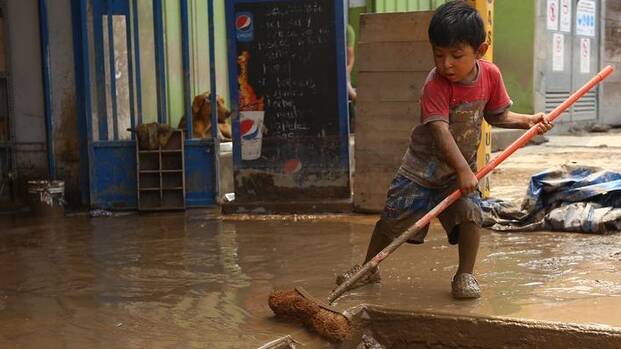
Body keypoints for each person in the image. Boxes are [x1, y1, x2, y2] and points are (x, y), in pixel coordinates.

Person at [336, 0, 552, 299]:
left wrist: (527, 121)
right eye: (438, 54)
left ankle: (464, 275)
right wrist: (464, 169)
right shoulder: (435, 84)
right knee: (392, 218)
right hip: (420, 169)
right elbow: (439, 131)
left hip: (458, 172)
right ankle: (369, 268)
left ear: (480, 50)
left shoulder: (490, 76)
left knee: (470, 215)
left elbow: (496, 114)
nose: (446, 64)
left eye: (456, 55)